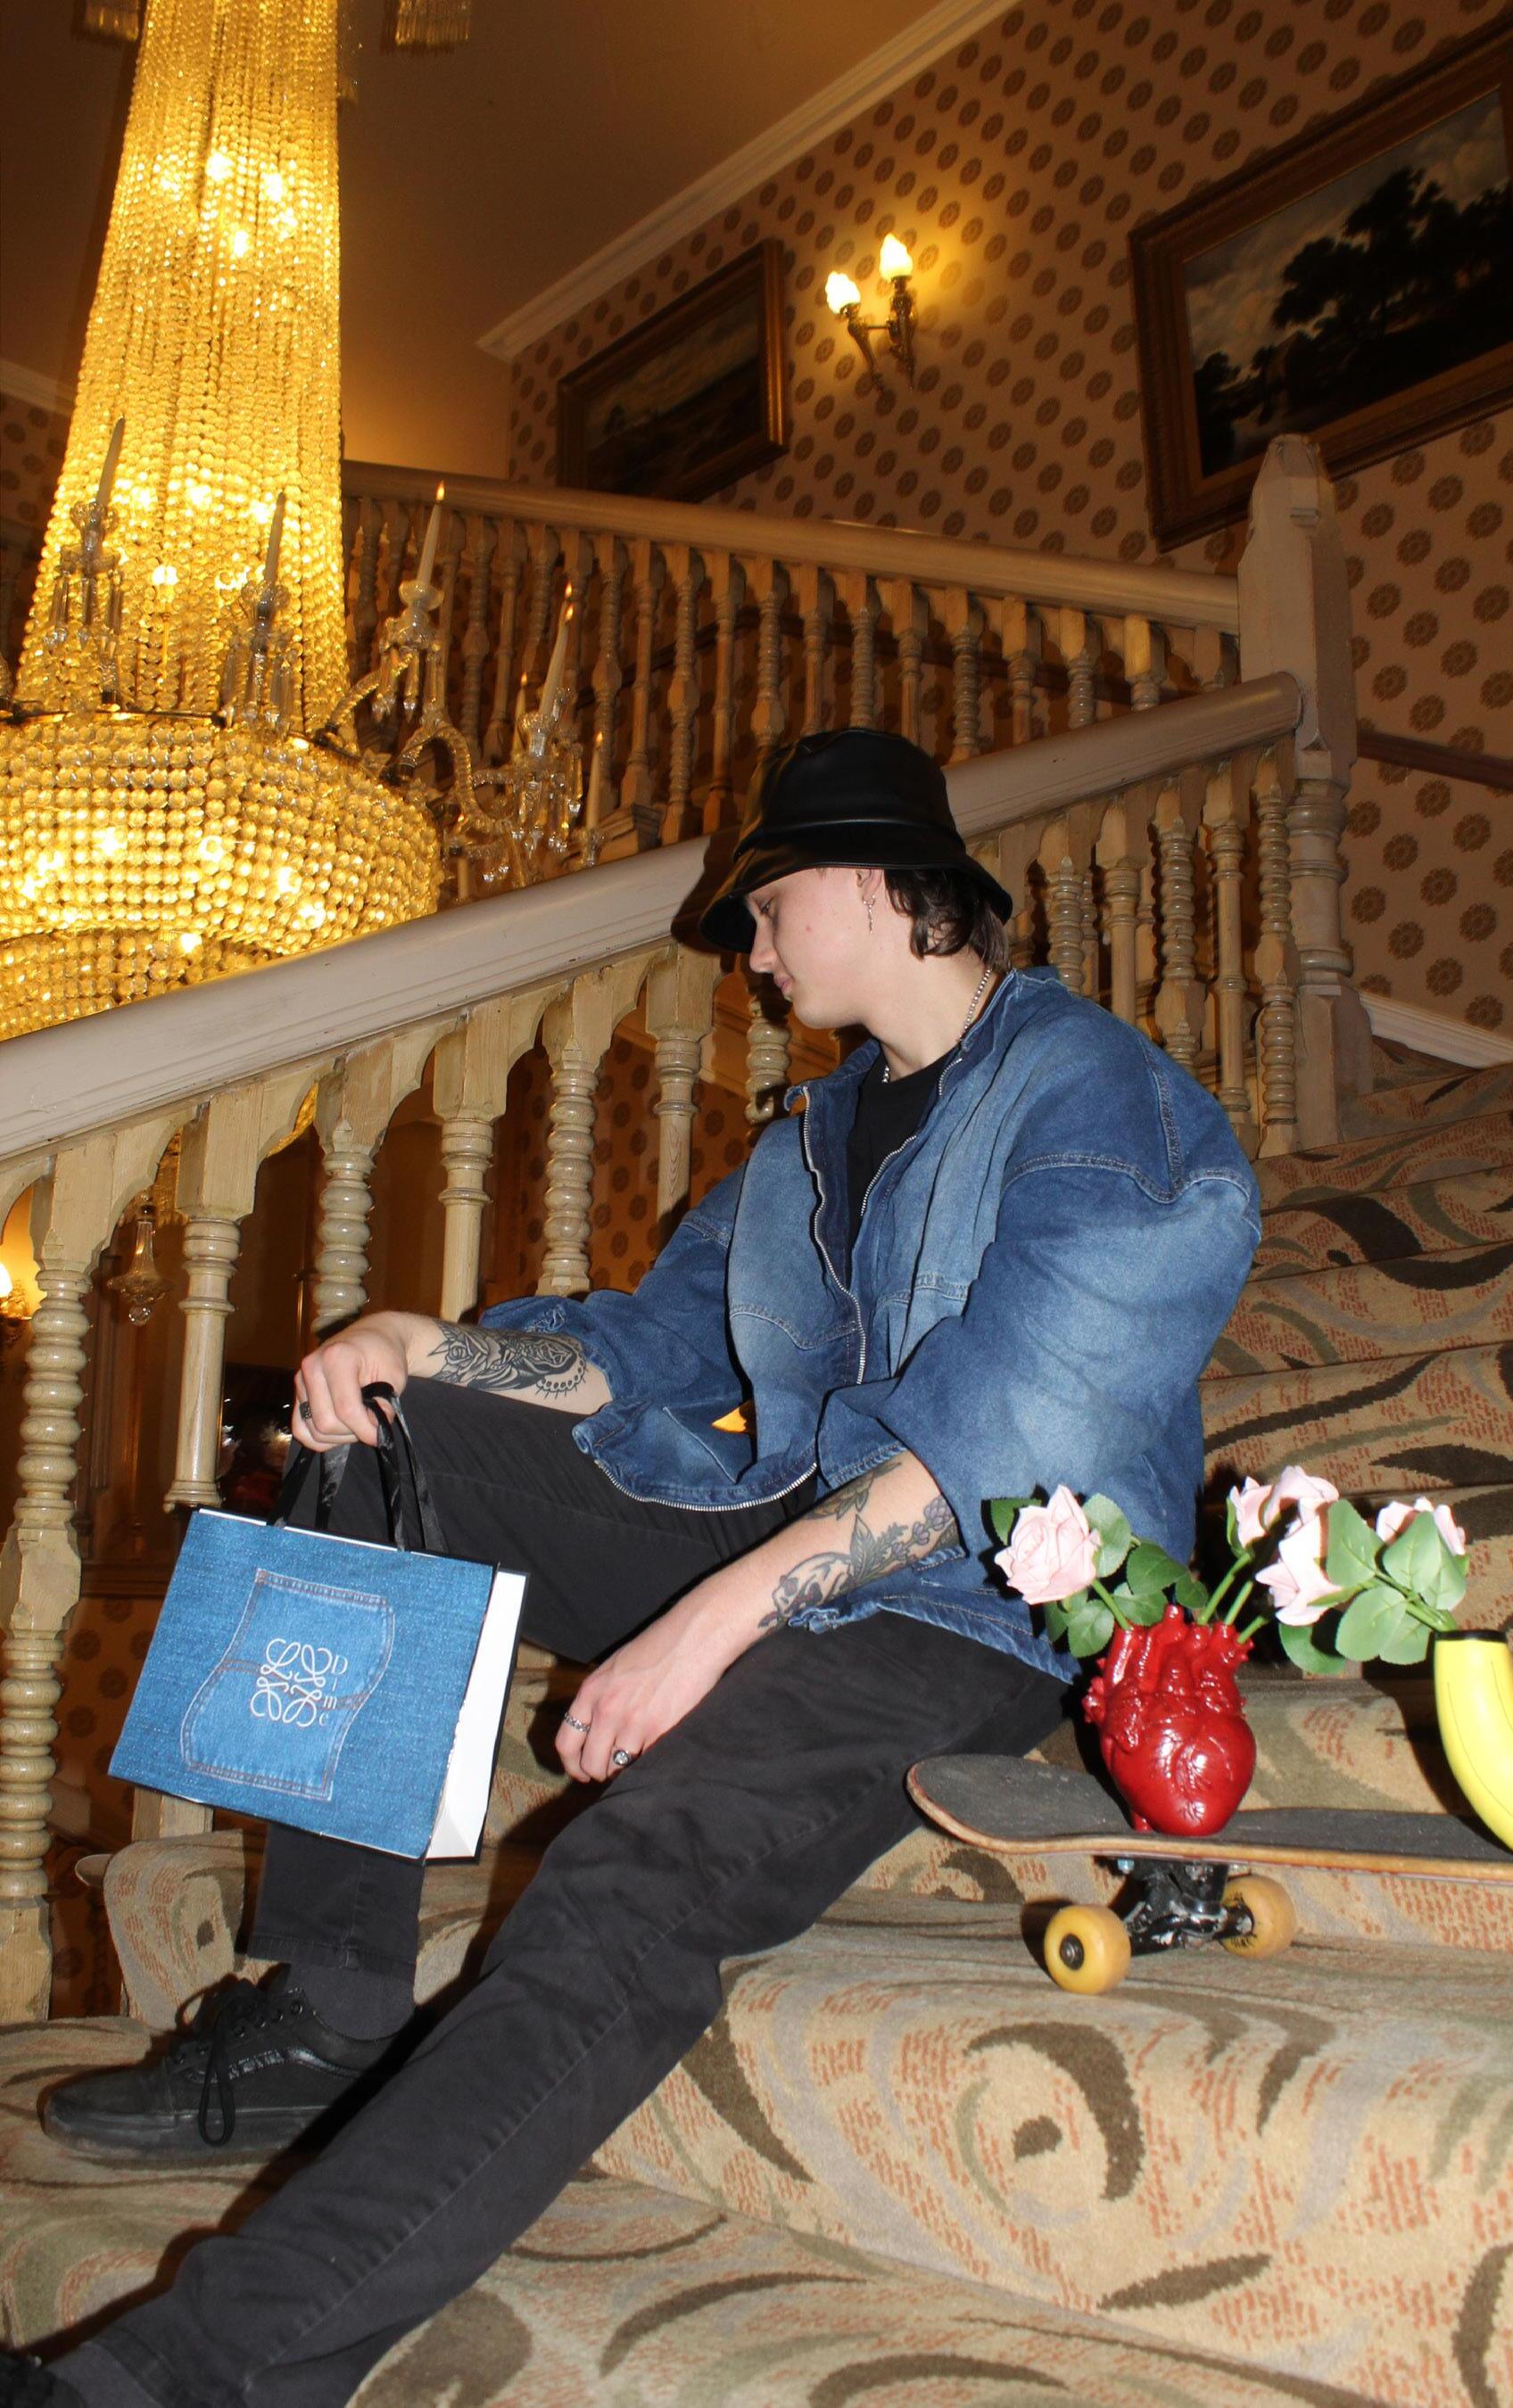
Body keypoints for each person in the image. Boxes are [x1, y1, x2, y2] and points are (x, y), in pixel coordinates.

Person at [22, 728, 1260, 2408]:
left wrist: (715, 1624)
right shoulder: (809, 1142)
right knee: (382, 1432)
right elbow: (640, 1358)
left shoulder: (1100, 1096)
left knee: (633, 1871)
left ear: (877, 883)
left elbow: (1020, 1437)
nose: (748, 952)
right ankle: (330, 2000)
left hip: (976, 1600)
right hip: (772, 1516)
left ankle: (186, 2376)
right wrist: (423, 1346)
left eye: (765, 907)